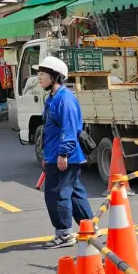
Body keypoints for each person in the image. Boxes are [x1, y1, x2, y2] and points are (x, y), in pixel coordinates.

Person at [38, 56, 94, 249]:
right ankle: (89, 227)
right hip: (55, 155)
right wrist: (47, 156)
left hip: (64, 156)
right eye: (39, 74)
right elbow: (50, 130)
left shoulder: (65, 99)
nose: (39, 77)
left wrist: (63, 154)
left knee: (57, 195)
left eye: (43, 74)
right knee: (74, 193)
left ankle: (63, 234)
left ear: (55, 76)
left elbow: (69, 129)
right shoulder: (53, 97)